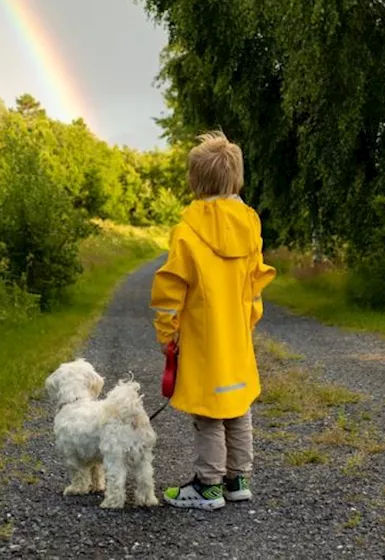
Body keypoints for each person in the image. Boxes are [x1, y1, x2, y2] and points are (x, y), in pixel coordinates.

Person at [150, 131, 277, 510]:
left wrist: (167, 335)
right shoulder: (249, 225)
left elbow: (170, 289)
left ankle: (208, 485)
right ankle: (238, 479)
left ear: (194, 180)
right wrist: (248, 321)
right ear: (235, 179)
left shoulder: (187, 232)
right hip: (237, 335)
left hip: (204, 339)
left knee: (208, 410)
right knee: (238, 404)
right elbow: (255, 283)